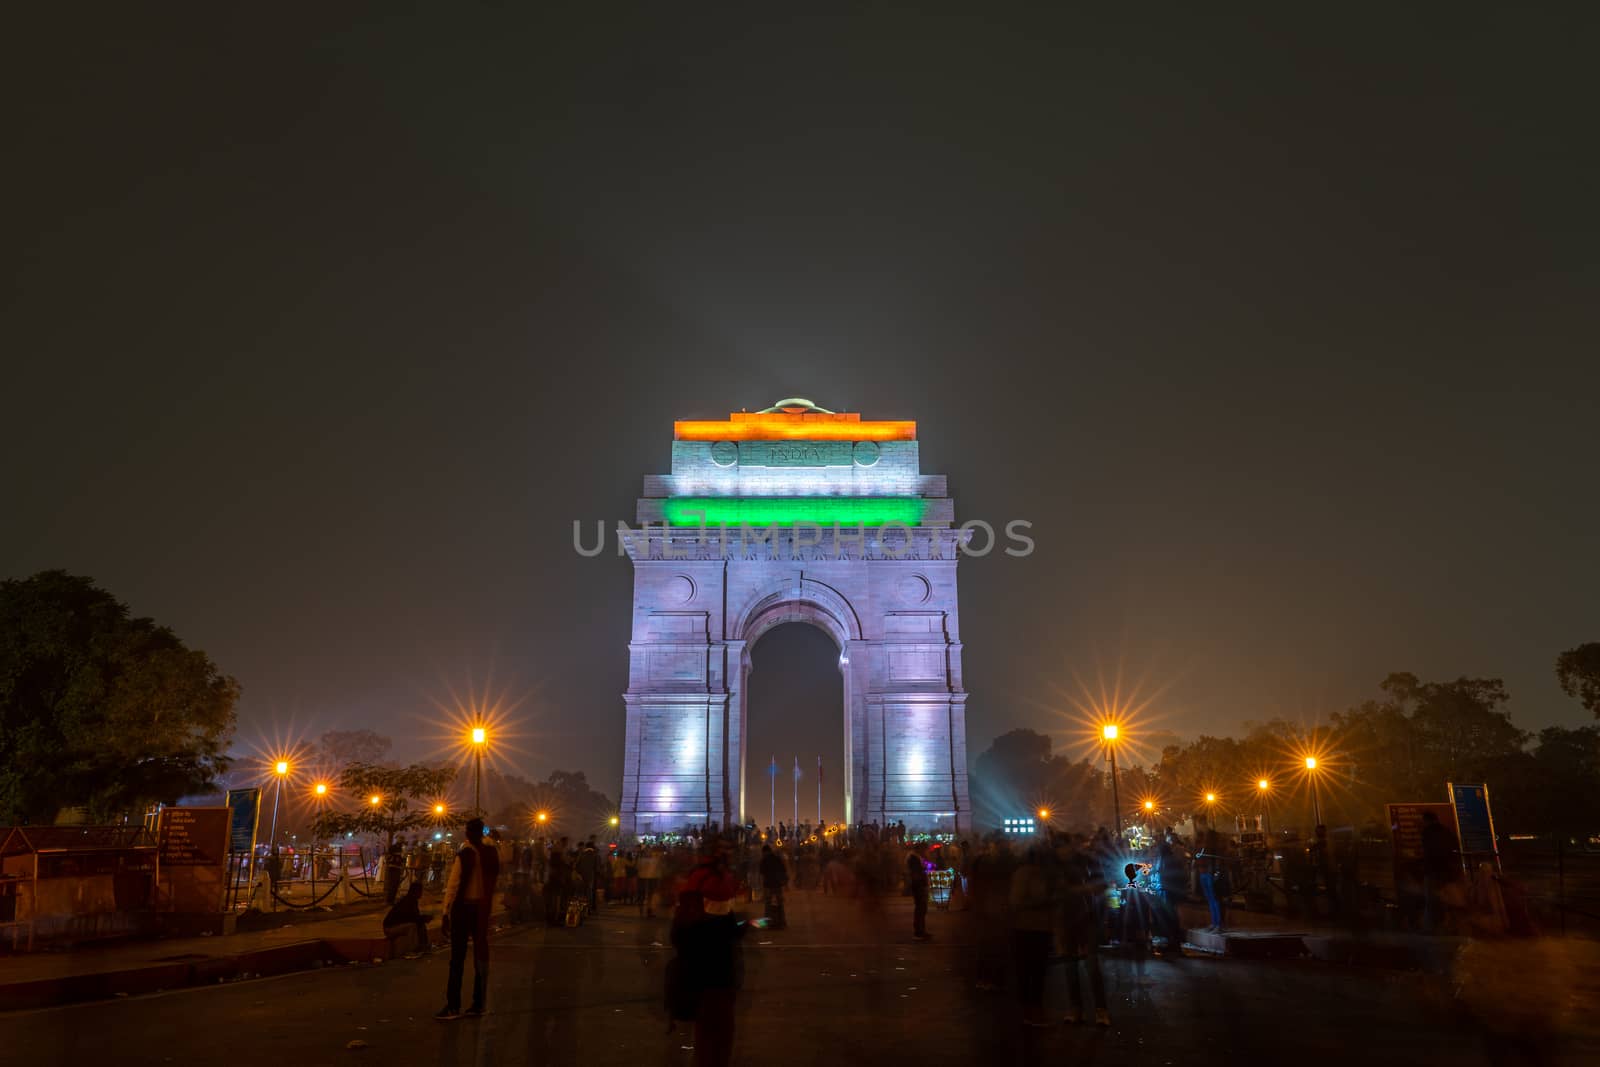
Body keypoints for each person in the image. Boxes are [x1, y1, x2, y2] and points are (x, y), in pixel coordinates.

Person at [669, 840, 744, 1067]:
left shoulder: (695, 881)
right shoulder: (718, 882)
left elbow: (678, 936)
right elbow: (731, 925)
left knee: (704, 1033)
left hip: (697, 974)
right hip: (719, 975)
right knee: (720, 1034)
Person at [436, 817, 500, 1020]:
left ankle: (453, 1006)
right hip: (482, 910)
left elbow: (453, 885)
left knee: (457, 959)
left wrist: (445, 912)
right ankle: (479, 1003)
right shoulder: (491, 852)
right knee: (480, 957)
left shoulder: (465, 853)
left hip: (463, 909)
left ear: (467, 833)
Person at [1059, 835, 1110, 1026]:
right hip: (1067, 919)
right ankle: (1077, 1008)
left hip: (1085, 918)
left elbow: (1101, 886)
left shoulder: (1088, 861)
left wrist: (1079, 890)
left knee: (1091, 966)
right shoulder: (1057, 866)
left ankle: (1099, 1010)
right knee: (1070, 965)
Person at [1008, 844, 1054, 1027]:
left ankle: (1027, 1011)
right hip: (1034, 927)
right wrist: (1048, 899)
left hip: (1025, 927)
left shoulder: (1021, 873)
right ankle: (1033, 1012)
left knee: (1026, 972)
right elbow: (1023, 899)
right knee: (1035, 972)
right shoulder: (1032, 874)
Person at [1420, 811, 1459, 934]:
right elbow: (1454, 845)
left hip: (1432, 871)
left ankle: (1431, 927)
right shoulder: (1446, 831)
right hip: (1447, 871)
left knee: (1431, 900)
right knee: (1448, 900)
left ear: (1427, 820)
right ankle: (1450, 925)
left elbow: (1427, 851)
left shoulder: (1427, 833)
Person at [383, 880, 433, 952]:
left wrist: (424, 918)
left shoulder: (413, 900)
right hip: (390, 928)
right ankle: (413, 949)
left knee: (420, 924)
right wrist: (424, 918)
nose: (421, 893)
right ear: (415, 892)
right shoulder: (408, 902)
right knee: (412, 927)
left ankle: (424, 945)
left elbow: (415, 917)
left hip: (397, 925)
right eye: (420, 891)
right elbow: (412, 918)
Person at [758, 845, 788, 929]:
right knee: (779, 903)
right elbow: (783, 870)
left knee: (768, 904)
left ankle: (769, 923)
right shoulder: (777, 858)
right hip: (777, 884)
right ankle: (781, 922)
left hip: (768, 885)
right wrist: (784, 883)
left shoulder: (764, 860)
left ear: (765, 852)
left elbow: (762, 874)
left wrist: (762, 886)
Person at [906, 844, 932, 940]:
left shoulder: (916, 858)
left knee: (922, 908)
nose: (925, 851)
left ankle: (921, 930)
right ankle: (918, 932)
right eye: (924, 849)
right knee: (920, 908)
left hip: (919, 885)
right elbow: (916, 873)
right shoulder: (914, 858)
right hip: (918, 886)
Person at [638, 846, 662, 917]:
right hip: (648, 879)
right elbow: (658, 870)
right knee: (648, 895)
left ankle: (645, 910)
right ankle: (646, 910)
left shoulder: (641, 860)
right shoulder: (654, 860)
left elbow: (638, 868)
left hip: (645, 879)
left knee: (647, 895)